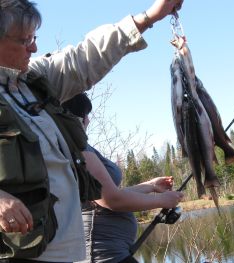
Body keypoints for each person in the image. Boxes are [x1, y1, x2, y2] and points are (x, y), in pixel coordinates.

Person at [0, 0, 184, 262]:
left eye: (35, 37)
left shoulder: (34, 80)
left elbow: (83, 58)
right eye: (24, 40)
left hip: (67, 252)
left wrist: (149, 17)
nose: (34, 47)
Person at [62, 93, 176, 263]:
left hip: (112, 253)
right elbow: (112, 200)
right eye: (85, 115)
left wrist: (151, 186)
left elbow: (107, 194)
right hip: (102, 255)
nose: (88, 121)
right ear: (75, 119)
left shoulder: (80, 147)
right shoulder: (77, 151)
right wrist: (163, 200)